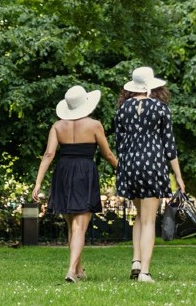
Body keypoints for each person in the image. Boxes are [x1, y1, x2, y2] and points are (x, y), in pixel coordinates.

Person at [32, 85, 119, 282]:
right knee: (80, 226)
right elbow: (107, 154)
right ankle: (71, 270)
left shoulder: (57, 126)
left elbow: (49, 154)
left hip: (63, 172)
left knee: (72, 226)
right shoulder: (94, 125)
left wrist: (38, 182)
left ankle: (79, 270)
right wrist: (121, 169)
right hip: (84, 172)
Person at [114, 66, 186, 284]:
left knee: (139, 216)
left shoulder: (121, 109)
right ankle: (145, 272)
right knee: (148, 221)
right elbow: (169, 146)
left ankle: (136, 260)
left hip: (129, 166)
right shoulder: (160, 108)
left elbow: (119, 144)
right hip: (153, 165)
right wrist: (178, 177)